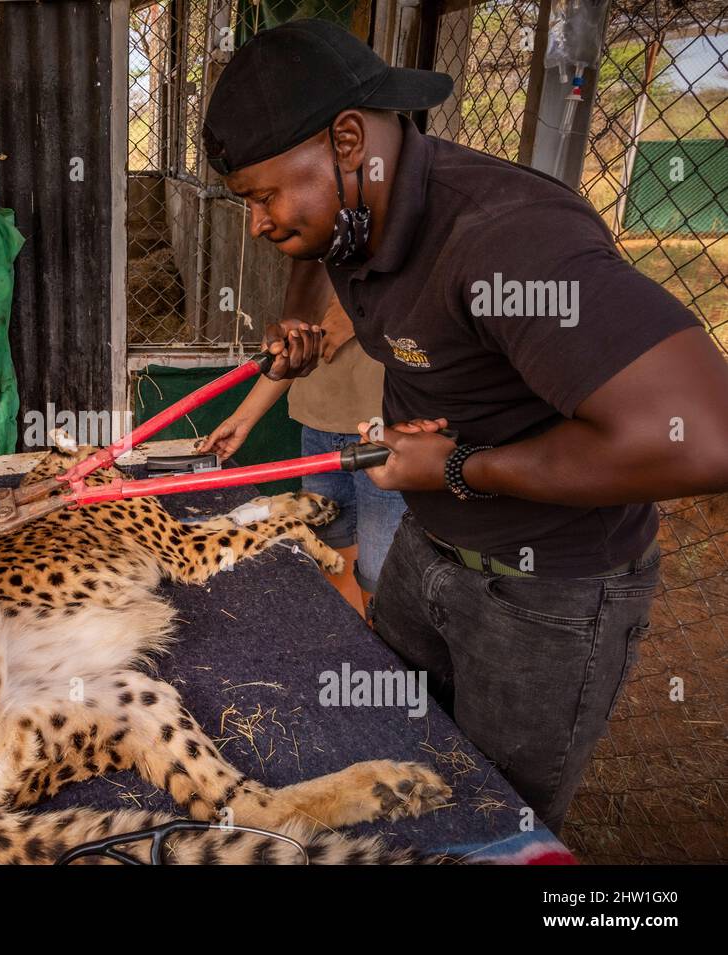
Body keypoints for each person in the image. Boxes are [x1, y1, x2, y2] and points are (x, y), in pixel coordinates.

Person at [202, 19, 728, 834]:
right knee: (393, 747)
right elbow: (317, 258)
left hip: (547, 595)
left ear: (349, 140)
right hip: (430, 550)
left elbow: (701, 438)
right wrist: (299, 326)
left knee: (490, 822)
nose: (260, 223)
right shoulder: (356, 212)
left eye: (266, 196)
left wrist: (458, 468)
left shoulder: (507, 240)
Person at [202, 259, 405, 620]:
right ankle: (348, 640)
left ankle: (384, 665)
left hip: (385, 438)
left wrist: (357, 315)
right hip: (319, 428)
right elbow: (289, 359)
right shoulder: (316, 266)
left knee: (381, 570)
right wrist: (242, 419)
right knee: (329, 548)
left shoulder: (406, 256)